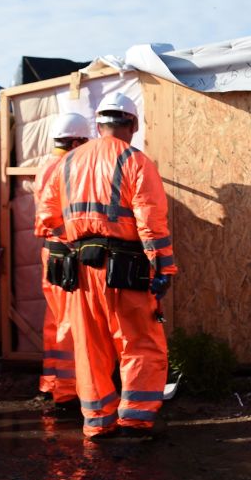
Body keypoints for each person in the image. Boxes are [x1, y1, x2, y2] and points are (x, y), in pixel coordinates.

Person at [35, 93, 178, 440]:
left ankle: (97, 422)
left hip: (82, 271)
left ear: (98, 125)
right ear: (133, 124)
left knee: (89, 347)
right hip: (126, 268)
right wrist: (164, 270)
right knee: (139, 342)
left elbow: (45, 221)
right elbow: (151, 224)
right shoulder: (136, 161)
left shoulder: (67, 163)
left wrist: (77, 243)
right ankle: (135, 419)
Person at [34, 112, 90, 417]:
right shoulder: (67, 166)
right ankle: (68, 391)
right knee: (69, 322)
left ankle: (53, 382)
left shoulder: (46, 164)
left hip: (51, 252)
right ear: (77, 141)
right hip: (67, 251)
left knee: (54, 321)